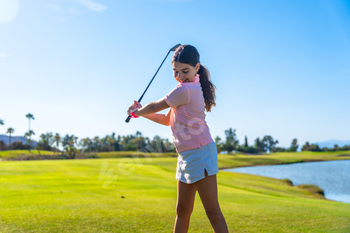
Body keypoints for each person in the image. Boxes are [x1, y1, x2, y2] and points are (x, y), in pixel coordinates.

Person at [127, 44, 228, 233]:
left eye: (185, 71)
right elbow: (167, 119)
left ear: (197, 67)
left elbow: (155, 106)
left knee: (213, 212)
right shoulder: (183, 89)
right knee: (182, 210)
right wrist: (139, 113)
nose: (180, 76)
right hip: (186, 156)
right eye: (175, 71)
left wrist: (137, 112)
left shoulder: (185, 91)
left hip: (200, 152)